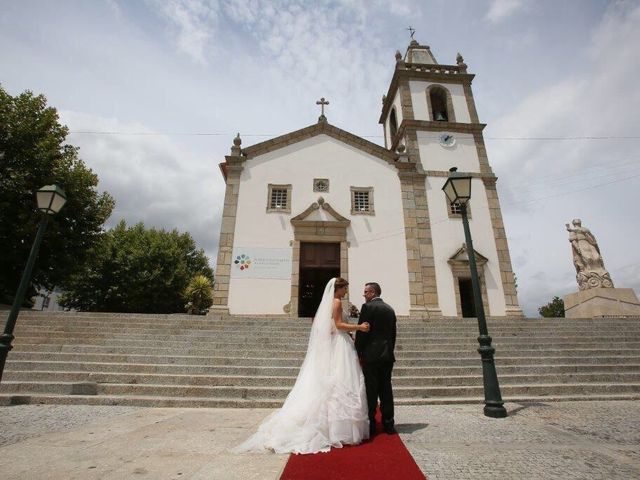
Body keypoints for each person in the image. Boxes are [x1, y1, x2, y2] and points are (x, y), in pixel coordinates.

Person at [233, 277, 370, 454]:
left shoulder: (332, 302)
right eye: (345, 288)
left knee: (336, 383)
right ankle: (339, 429)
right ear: (338, 289)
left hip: (339, 343)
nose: (346, 292)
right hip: (340, 345)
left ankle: (336, 427)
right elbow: (338, 325)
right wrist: (360, 327)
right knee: (340, 381)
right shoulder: (336, 302)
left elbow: (329, 326)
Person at [355, 282, 397, 437]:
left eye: (366, 291)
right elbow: (392, 334)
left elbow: (363, 332)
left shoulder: (368, 308)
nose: (364, 294)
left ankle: (371, 424)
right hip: (387, 356)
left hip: (371, 356)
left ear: (372, 293)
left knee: (371, 390)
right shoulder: (389, 308)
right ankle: (389, 424)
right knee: (386, 389)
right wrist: (389, 351)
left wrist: (358, 351)